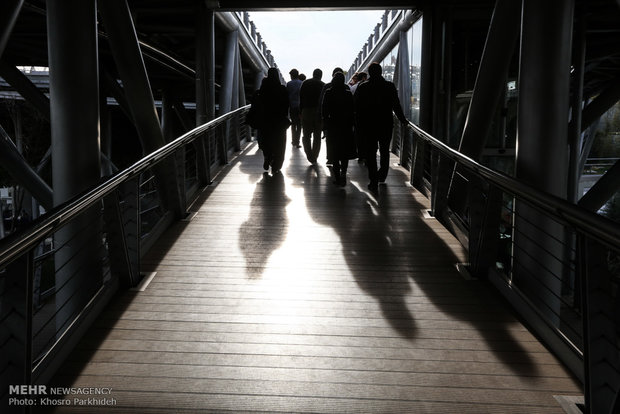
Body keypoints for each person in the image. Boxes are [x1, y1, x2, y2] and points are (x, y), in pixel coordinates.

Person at [354, 62, 408, 191]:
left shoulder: (363, 87)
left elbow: (356, 107)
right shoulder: (389, 86)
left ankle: (373, 180)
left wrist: (358, 125)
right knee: (384, 151)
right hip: (385, 124)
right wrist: (403, 120)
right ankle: (382, 175)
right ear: (381, 72)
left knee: (371, 153)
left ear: (369, 73)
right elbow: (396, 105)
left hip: (368, 125)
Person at [321, 72, 356, 186]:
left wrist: (325, 125)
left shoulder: (328, 93)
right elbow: (352, 110)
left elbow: (324, 110)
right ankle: (343, 173)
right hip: (345, 126)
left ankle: (336, 176)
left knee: (334, 151)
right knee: (344, 152)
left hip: (333, 125)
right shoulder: (347, 93)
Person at [256, 67, 290, 174]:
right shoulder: (282, 89)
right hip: (279, 121)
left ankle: (267, 157)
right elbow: (286, 105)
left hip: (266, 120)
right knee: (280, 143)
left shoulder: (263, 89)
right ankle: (276, 165)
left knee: (266, 140)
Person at [321, 67, 350, 166]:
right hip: (345, 122)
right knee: (344, 143)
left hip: (332, 121)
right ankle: (343, 167)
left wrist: (324, 120)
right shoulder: (347, 89)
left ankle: (331, 158)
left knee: (330, 141)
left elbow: (323, 105)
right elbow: (352, 107)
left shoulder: (327, 88)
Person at [299, 68, 325, 164]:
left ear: (313, 74)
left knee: (306, 135)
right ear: (320, 75)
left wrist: (300, 111)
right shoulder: (323, 85)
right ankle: (315, 155)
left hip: (306, 111)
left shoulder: (305, 83)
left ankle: (309, 155)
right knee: (317, 136)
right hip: (318, 113)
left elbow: (300, 98)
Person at [286, 69, 303, 148]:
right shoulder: (301, 83)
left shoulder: (289, 84)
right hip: (300, 107)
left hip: (292, 107)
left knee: (293, 124)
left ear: (292, 75)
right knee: (299, 125)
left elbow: (287, 96)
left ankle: (293, 141)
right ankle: (297, 142)